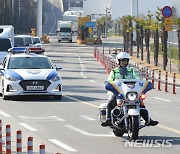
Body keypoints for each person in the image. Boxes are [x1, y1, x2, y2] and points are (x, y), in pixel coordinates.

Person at [101, 52, 158, 127]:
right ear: (118, 61)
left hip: (130, 92)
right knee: (111, 102)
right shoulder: (114, 71)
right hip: (118, 92)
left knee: (140, 103)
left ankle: (148, 120)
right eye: (122, 61)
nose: (124, 62)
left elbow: (138, 79)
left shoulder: (131, 71)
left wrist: (144, 84)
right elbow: (110, 80)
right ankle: (108, 119)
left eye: (126, 61)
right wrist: (108, 83)